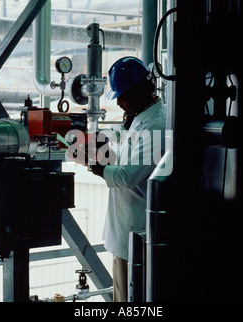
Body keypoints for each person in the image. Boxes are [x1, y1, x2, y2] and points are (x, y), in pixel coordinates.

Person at [69, 56, 167, 302]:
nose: (121, 103)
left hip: (138, 234)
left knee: (133, 300)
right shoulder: (140, 119)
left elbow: (127, 176)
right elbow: (125, 160)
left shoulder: (156, 126)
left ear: (142, 91)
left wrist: (96, 165)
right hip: (126, 230)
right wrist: (102, 149)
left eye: (123, 96)